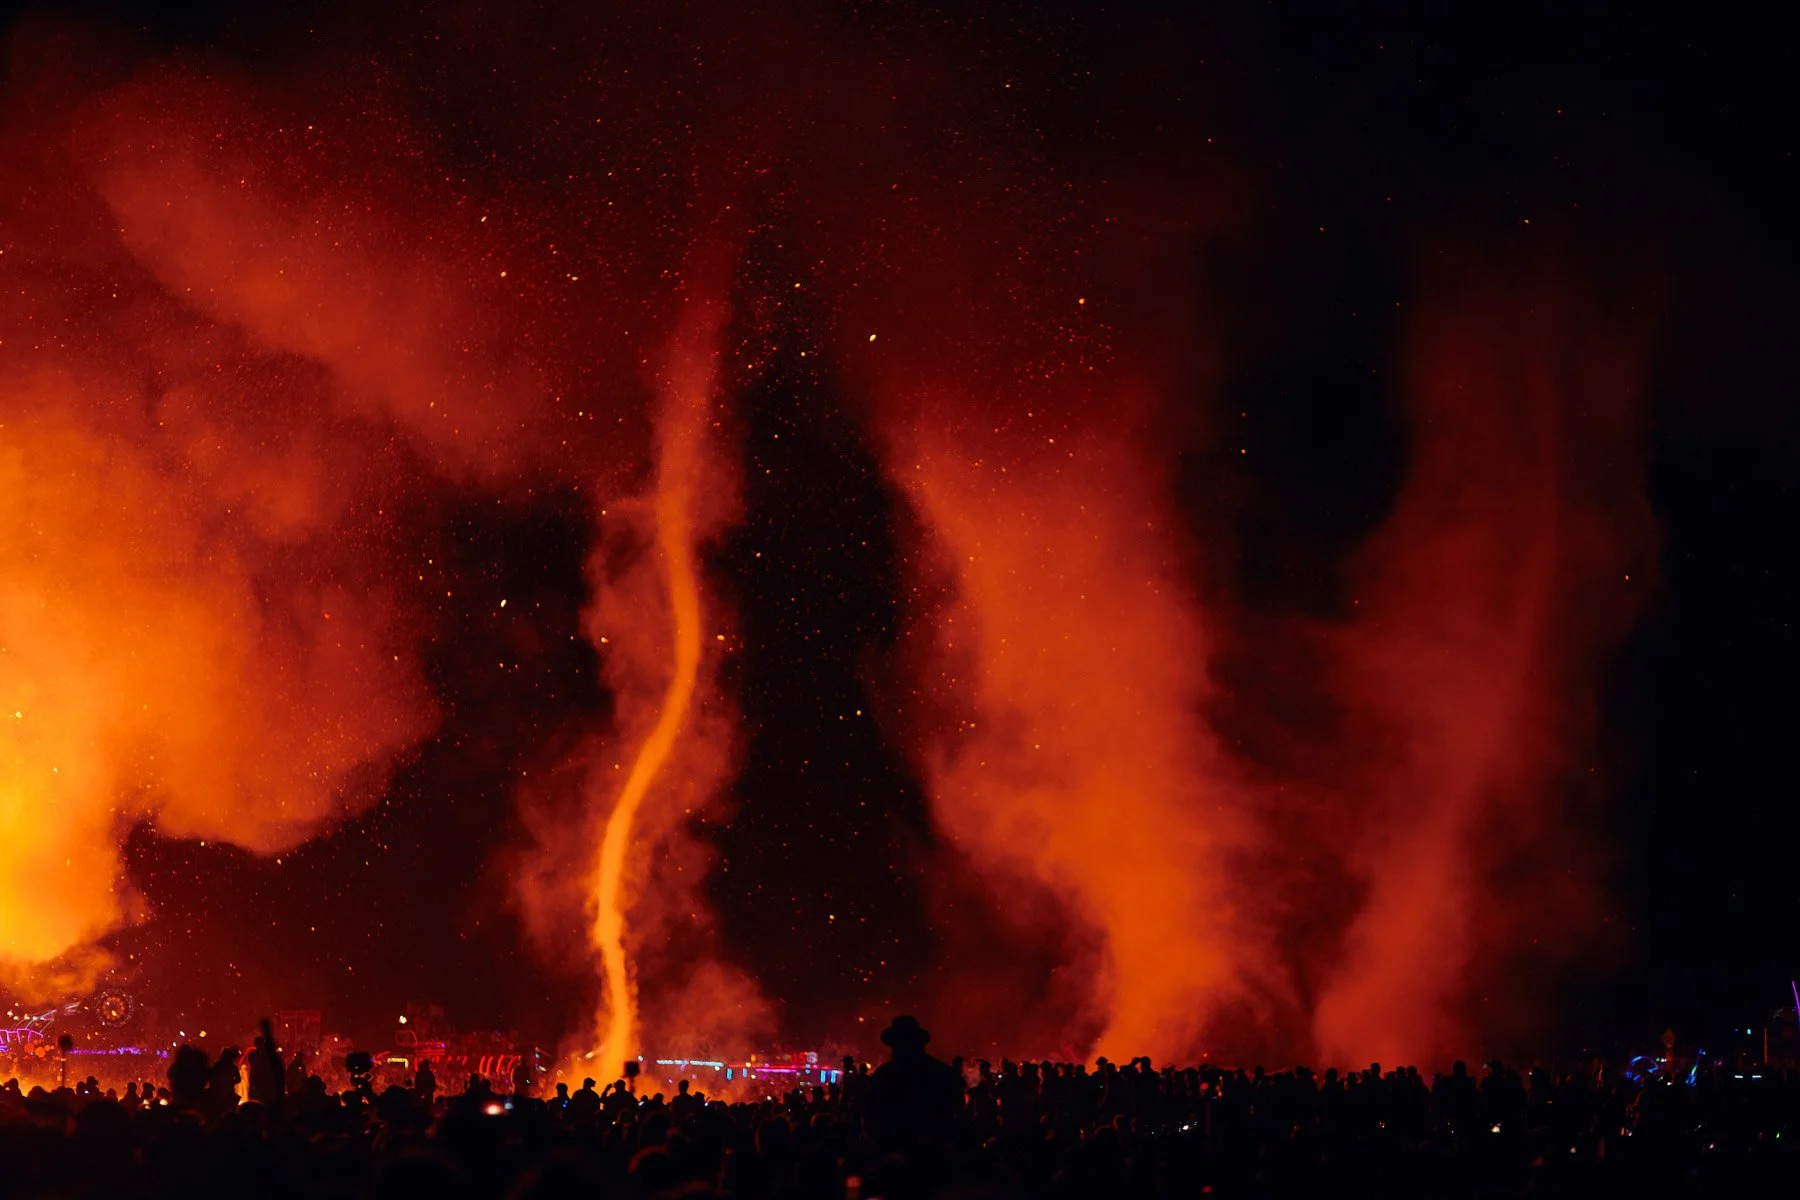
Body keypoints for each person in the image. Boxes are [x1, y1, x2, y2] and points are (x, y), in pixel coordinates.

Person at [862, 1015, 964, 1151]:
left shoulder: (885, 1075)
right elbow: (956, 1115)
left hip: (896, 1154)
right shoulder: (943, 1073)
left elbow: (870, 1117)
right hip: (935, 1156)